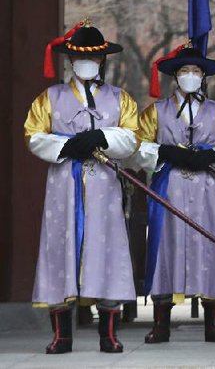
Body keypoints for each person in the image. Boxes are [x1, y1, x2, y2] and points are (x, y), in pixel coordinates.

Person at [25, 21, 138, 354]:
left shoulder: (121, 99)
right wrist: (64, 147)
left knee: (108, 249)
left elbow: (132, 138)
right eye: (78, 57)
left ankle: (109, 333)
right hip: (64, 182)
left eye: (93, 57)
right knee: (60, 248)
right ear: (69, 59)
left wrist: (103, 136)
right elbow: (33, 134)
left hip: (104, 184)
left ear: (103, 59)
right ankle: (62, 335)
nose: (86, 63)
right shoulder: (51, 97)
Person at [133, 44, 215, 343]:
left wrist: (210, 156)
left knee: (211, 247)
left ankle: (213, 323)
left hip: (207, 188)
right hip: (169, 187)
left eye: (196, 72)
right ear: (175, 76)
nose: (191, 76)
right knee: (166, 246)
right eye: (185, 71)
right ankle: (160, 323)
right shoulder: (156, 111)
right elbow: (138, 145)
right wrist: (164, 151)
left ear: (203, 77)